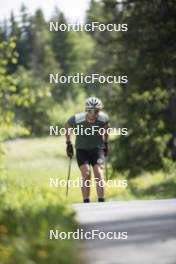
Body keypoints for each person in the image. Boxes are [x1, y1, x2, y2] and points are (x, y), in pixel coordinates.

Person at [64, 97, 110, 203]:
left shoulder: (103, 118)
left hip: (97, 149)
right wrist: (68, 143)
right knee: (86, 172)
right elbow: (66, 126)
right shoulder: (76, 119)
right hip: (82, 149)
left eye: (97, 111)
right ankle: (86, 201)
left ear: (100, 111)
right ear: (86, 110)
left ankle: (101, 201)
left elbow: (107, 128)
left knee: (98, 172)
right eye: (90, 111)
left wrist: (106, 143)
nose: (93, 114)